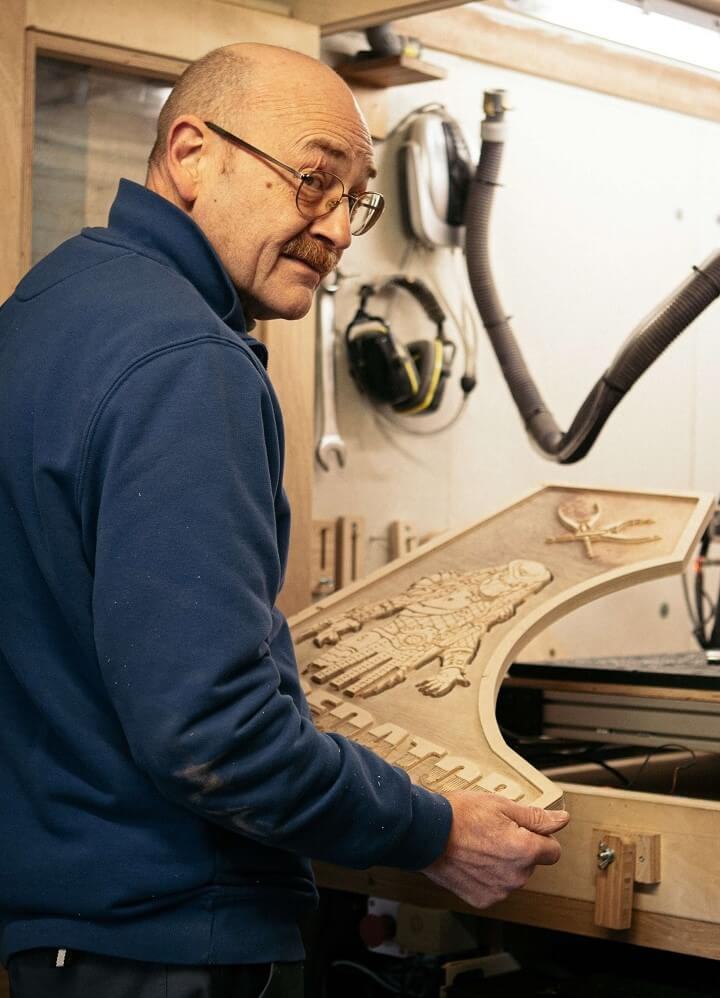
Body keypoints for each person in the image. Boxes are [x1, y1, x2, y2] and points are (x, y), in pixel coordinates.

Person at [0, 42, 569, 998]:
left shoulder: (41, 310)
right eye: (313, 181)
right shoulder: (190, 363)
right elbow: (211, 734)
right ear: (191, 153)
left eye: (357, 200)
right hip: (170, 943)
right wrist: (433, 830)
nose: (339, 228)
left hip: (60, 933)